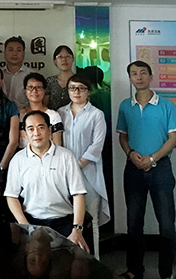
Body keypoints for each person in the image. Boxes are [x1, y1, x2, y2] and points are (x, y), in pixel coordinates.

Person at [117, 60, 176, 279]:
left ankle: (167, 272)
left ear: (151, 76)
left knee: (167, 224)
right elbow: (123, 136)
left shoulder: (166, 105)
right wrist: (130, 153)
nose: (139, 77)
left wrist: (153, 158)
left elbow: (174, 138)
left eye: (143, 72)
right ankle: (134, 270)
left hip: (160, 168)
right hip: (133, 168)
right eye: (134, 73)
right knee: (134, 223)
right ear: (130, 78)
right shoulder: (125, 106)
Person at [4, 110, 89, 252]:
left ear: (49, 130)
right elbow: (11, 196)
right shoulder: (18, 160)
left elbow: (78, 194)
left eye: (41, 127)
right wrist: (26, 227)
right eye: (30, 129)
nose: (36, 133)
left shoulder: (66, 157)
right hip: (32, 222)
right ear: (25, 133)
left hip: (64, 222)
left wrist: (77, 229)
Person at [59, 73, 110, 259]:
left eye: (81, 88)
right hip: (64, 175)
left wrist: (76, 165)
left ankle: (94, 261)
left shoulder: (96, 114)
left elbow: (97, 146)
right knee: (68, 220)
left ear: (89, 92)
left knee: (91, 221)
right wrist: (67, 169)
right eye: (72, 88)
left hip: (89, 174)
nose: (76, 92)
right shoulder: (60, 113)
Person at [18, 72, 63, 148]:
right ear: (25, 90)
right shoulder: (19, 115)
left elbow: (57, 146)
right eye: (30, 87)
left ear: (45, 91)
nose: (34, 91)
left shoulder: (53, 115)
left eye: (39, 87)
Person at [1, 36, 31, 110]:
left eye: (19, 50)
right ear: (4, 53)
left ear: (24, 53)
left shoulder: (31, 76)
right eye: (11, 50)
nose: (14, 54)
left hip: (25, 115)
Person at [45, 45, 75, 111]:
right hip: (53, 117)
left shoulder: (79, 81)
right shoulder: (49, 81)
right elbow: (45, 105)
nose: (64, 59)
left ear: (73, 59)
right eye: (60, 57)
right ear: (55, 61)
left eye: (67, 56)